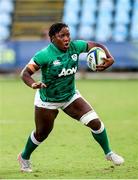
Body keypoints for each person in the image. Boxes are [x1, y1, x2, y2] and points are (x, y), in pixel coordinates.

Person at [18, 22, 124, 172]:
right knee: (41, 134)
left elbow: (96, 45)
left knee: (95, 122)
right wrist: (33, 84)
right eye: (62, 36)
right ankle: (24, 157)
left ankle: (109, 153)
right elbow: (25, 74)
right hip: (48, 100)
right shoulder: (44, 55)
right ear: (53, 38)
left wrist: (109, 57)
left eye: (68, 35)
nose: (67, 38)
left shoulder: (75, 46)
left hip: (70, 96)